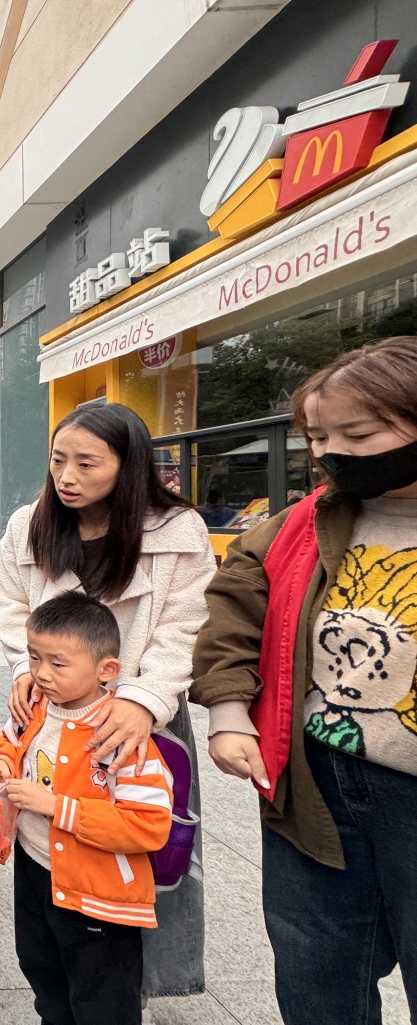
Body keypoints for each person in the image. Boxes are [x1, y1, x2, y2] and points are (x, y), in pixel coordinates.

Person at [191, 337, 417, 1024]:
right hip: (315, 783)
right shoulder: (301, 522)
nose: (330, 452)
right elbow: (234, 601)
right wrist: (229, 710)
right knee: (317, 973)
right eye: (318, 436)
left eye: (357, 432)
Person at [0, 401, 217, 1001]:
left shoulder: (176, 531)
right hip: (54, 706)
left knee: (138, 847)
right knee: (49, 845)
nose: (67, 477)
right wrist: (25, 666)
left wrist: (142, 698)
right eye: (59, 460)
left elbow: (187, 623)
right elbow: (8, 601)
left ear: (128, 465)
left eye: (87, 464)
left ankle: (123, 988)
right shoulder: (30, 524)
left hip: (138, 715)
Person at [0, 592, 173, 1025]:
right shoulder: (36, 705)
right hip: (35, 869)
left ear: (106, 669)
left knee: (101, 996)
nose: (40, 673)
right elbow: (10, 741)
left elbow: (147, 825)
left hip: (98, 894)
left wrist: (55, 807)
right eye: (34, 658)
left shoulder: (119, 733)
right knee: (43, 970)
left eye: (58, 662)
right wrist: (1, 762)